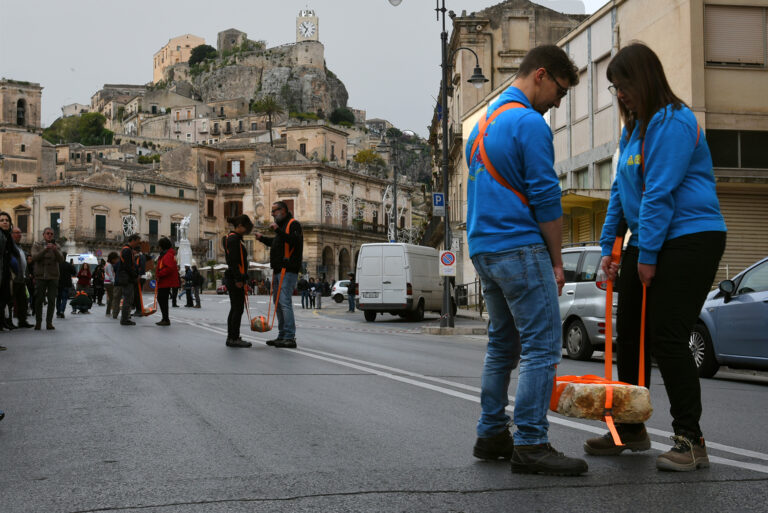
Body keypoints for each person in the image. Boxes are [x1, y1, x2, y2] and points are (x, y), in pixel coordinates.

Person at [583, 43, 727, 472]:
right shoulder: (634, 130)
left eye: (623, 85)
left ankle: (690, 439)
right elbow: (620, 193)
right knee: (629, 336)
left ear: (643, 79)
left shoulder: (674, 122)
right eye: (614, 88)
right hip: (648, 239)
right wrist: (611, 249)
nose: (619, 94)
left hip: (690, 237)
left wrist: (646, 254)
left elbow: (659, 192)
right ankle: (629, 427)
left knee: (666, 336)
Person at [465, 45, 587, 476]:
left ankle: (491, 431)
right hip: (519, 246)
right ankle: (532, 441)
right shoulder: (529, 124)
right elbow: (546, 198)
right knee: (541, 344)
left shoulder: (484, 124)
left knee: (503, 344)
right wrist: (557, 262)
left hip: (484, 248)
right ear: (541, 75)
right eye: (561, 92)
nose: (558, 103)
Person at [255, 201, 303, 349]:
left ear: (283, 210)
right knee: (278, 303)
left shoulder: (293, 224)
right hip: (279, 270)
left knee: (284, 302)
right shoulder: (282, 227)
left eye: (274, 211)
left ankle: (289, 336)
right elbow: (277, 243)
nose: (272, 214)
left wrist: (278, 230)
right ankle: (282, 335)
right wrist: (262, 238)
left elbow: (295, 242)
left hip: (287, 270)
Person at [223, 215, 254, 348]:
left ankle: (232, 336)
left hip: (234, 277)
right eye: (246, 229)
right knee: (237, 308)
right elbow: (234, 261)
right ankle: (233, 337)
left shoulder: (232, 238)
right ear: (240, 226)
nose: (247, 232)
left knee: (235, 308)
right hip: (235, 278)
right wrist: (239, 279)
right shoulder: (234, 239)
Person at [30, 227, 64, 330]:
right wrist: (45, 250)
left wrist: (54, 250)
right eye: (48, 233)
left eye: (51, 234)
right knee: (39, 300)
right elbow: (34, 257)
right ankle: (38, 322)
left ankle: (49, 322)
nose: (49, 235)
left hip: (53, 276)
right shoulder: (37, 245)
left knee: (51, 300)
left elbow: (61, 259)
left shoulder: (57, 246)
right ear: (43, 235)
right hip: (41, 276)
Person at [0, 212, 20, 333]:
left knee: (4, 301)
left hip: (5, 273)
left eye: (7, 220)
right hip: (1, 273)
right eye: (1, 220)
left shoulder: (7, 237)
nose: (5, 222)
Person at [10, 227, 33, 328]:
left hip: (21, 278)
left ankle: (22, 321)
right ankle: (8, 321)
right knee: (9, 301)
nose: (19, 235)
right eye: (17, 233)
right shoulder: (10, 246)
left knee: (22, 300)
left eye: (20, 233)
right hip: (13, 278)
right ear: (11, 234)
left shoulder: (19, 247)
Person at [154, 237, 180, 326]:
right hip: (164, 281)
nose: (158, 248)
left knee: (162, 299)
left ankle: (166, 319)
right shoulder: (166, 254)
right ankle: (165, 318)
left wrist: (159, 274)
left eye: (159, 246)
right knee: (162, 299)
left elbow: (169, 268)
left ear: (162, 246)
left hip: (166, 281)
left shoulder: (167, 255)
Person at [117, 234, 142, 326]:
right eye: (137, 242)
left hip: (127, 277)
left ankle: (125, 318)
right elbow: (128, 266)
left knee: (129, 299)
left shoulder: (127, 250)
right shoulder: (127, 250)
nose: (138, 244)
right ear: (133, 240)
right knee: (128, 299)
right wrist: (135, 275)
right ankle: (124, 319)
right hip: (127, 278)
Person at [104, 252, 118, 317]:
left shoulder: (107, 264)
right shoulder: (109, 265)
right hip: (109, 282)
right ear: (112, 259)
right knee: (112, 298)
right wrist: (114, 281)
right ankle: (109, 311)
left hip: (107, 282)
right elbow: (110, 274)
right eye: (115, 259)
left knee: (111, 297)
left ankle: (108, 311)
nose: (116, 261)